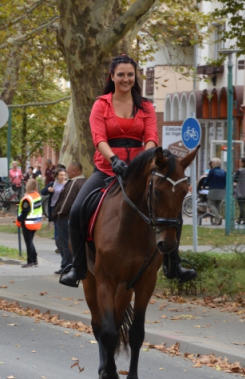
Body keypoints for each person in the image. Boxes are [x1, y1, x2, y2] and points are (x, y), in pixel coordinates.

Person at [60, 54, 196, 287]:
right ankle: (77, 267)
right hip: (107, 169)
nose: (125, 79)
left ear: (135, 77)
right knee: (76, 211)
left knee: (169, 208)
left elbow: (151, 138)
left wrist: (145, 162)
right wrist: (114, 160)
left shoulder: (146, 106)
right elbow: (98, 137)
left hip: (140, 172)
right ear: (112, 76)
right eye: (120, 74)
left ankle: (174, 263)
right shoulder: (100, 104)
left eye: (130, 74)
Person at [54, 162, 86, 274]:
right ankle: (69, 264)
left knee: (64, 242)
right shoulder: (85, 182)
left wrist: (59, 213)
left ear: (75, 172)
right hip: (79, 218)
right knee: (62, 241)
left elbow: (67, 201)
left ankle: (67, 266)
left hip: (66, 217)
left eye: (69, 170)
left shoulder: (74, 183)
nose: (67, 172)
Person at [17, 179, 42, 268]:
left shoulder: (27, 198)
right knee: (30, 241)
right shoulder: (37, 196)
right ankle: (34, 259)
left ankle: (30, 261)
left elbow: (25, 211)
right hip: (35, 222)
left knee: (28, 242)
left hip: (27, 222)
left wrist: (19, 219)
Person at [206, 157, 226, 222]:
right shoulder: (224, 172)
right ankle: (217, 220)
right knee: (218, 204)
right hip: (222, 190)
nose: (211, 164)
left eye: (212, 163)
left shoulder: (212, 171)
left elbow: (207, 180)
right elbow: (225, 182)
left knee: (210, 204)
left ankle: (218, 216)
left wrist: (203, 185)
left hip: (213, 190)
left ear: (214, 163)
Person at [236, 158, 245, 224]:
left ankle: (242, 218)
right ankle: (240, 219)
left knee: (241, 206)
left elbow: (235, 179)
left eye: (240, 162)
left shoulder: (240, 170)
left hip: (241, 191)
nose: (240, 163)